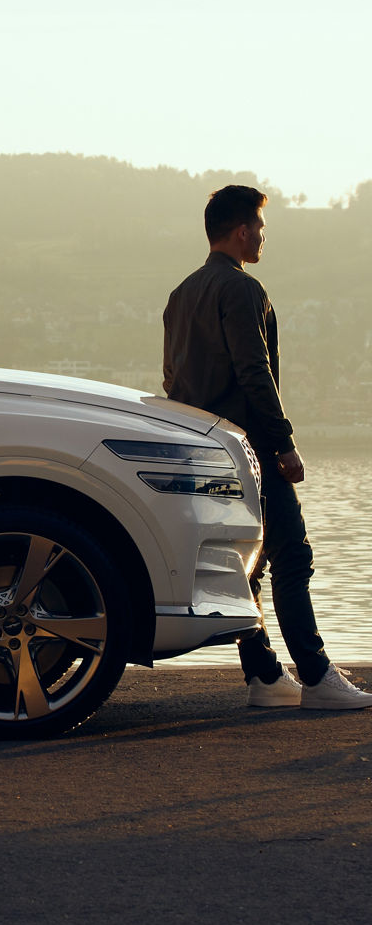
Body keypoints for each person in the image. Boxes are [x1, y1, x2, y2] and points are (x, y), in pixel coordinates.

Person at [163, 184, 372, 710]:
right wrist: (283, 445)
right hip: (252, 446)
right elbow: (253, 372)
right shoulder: (242, 290)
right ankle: (317, 675)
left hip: (206, 448)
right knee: (291, 556)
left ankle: (264, 676)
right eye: (259, 226)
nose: (263, 236)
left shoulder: (181, 294)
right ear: (241, 230)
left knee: (243, 568)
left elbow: (172, 380)